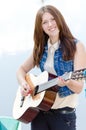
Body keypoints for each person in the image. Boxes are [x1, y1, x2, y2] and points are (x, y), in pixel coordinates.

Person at [16, 5, 86, 130]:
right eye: (45, 22)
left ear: (59, 19)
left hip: (63, 116)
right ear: (41, 27)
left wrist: (67, 82)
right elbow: (21, 70)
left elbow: (79, 88)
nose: (50, 24)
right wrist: (23, 84)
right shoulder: (40, 48)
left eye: (53, 19)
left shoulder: (76, 46)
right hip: (39, 112)